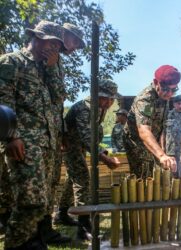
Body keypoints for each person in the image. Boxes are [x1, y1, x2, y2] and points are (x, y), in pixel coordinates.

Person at [0, 20, 63, 249]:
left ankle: (33, 242)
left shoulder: (44, 69)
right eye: (51, 43)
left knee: (42, 202)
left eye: (57, 46)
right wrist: (11, 136)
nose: (53, 49)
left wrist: (52, 67)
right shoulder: (11, 61)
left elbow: (58, 98)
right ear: (36, 37)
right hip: (23, 142)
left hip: (44, 144)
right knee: (30, 202)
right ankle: (16, 245)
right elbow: (2, 101)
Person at [42, 22, 86, 244]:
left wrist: (59, 134)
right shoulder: (47, 59)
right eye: (75, 41)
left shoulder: (56, 61)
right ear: (63, 35)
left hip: (52, 134)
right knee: (40, 185)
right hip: (37, 135)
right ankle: (38, 232)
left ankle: (47, 228)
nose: (76, 47)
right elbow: (56, 95)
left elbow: (57, 100)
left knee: (51, 183)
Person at [64, 79, 121, 240]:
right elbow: (87, 137)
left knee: (72, 179)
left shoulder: (100, 107)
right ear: (96, 95)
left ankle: (61, 214)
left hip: (80, 145)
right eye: (106, 98)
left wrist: (103, 152)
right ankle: (83, 227)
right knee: (82, 178)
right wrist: (104, 158)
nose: (109, 103)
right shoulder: (84, 108)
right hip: (69, 145)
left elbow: (94, 134)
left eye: (112, 99)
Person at [123, 65, 180, 179]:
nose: (169, 94)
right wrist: (161, 155)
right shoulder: (145, 99)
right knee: (145, 175)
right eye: (165, 89)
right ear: (156, 82)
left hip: (152, 139)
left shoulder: (165, 98)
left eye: (173, 90)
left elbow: (161, 127)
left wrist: (163, 150)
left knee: (161, 173)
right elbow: (143, 131)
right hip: (136, 141)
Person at [164, 95, 181, 177]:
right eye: (178, 103)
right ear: (174, 104)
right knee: (170, 176)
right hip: (170, 151)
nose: (180, 106)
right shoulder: (167, 115)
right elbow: (162, 133)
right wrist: (162, 149)